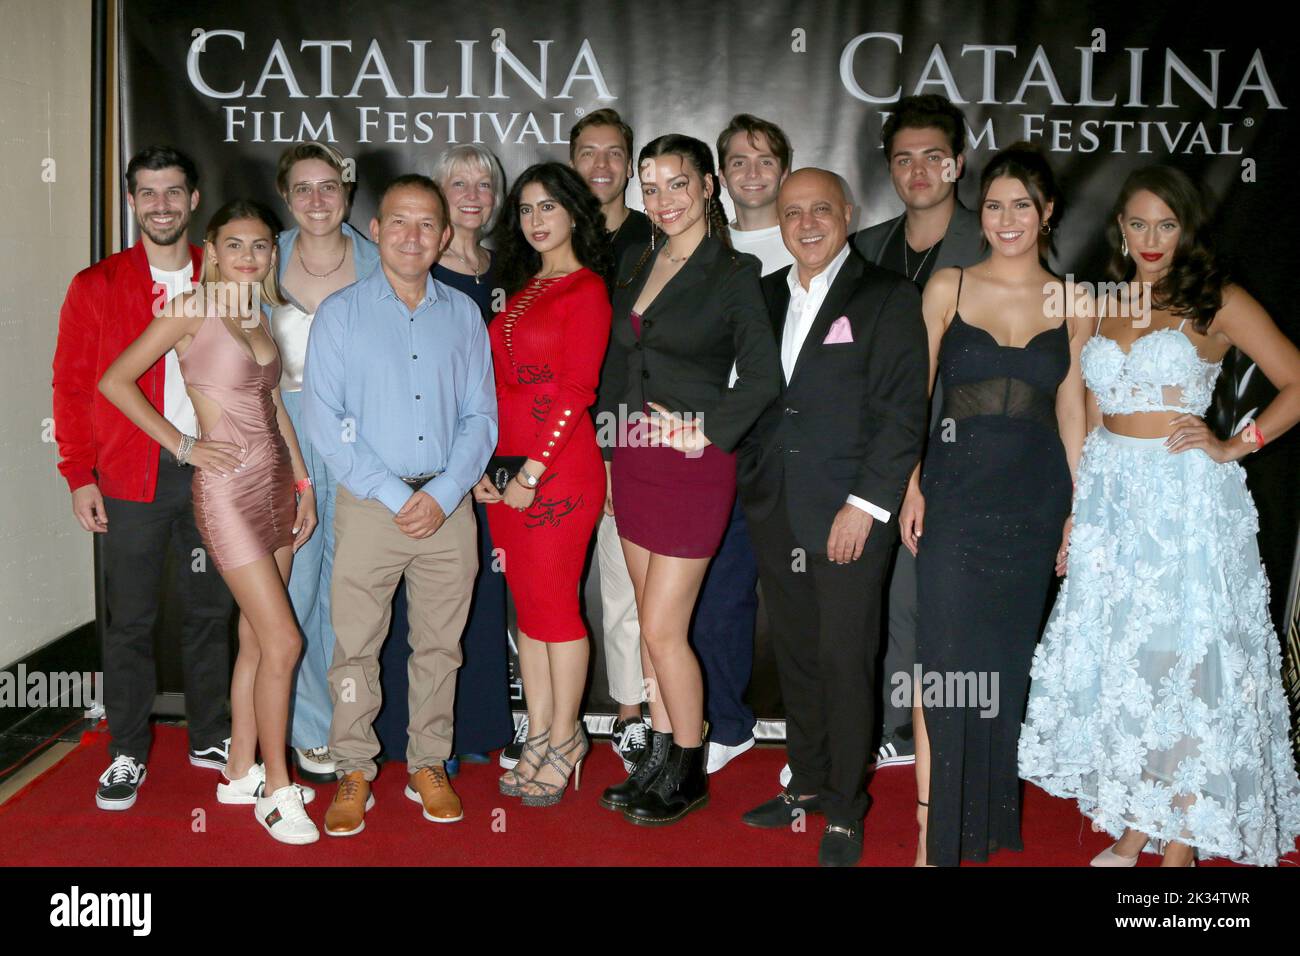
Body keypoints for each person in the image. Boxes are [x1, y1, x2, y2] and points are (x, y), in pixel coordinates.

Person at [1019, 165, 1300, 867]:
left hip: (1186, 505)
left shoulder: (1217, 300)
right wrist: (1076, 514)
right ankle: (1137, 822)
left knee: (1187, 662)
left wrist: (1237, 444)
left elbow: (1297, 379)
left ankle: (1182, 839)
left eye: (1166, 225)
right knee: (1131, 660)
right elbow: (1083, 409)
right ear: (1119, 228)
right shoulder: (1104, 300)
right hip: (1112, 500)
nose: (1151, 239)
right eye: (1138, 223)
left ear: (1188, 230)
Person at [99, 198, 321, 844]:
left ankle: (239, 771)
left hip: (278, 486)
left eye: (260, 246)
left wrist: (304, 484)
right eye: (235, 246)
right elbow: (116, 381)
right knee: (285, 642)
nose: (249, 257)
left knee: (258, 640)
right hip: (226, 494)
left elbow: (274, 403)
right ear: (213, 251)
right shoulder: (191, 311)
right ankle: (278, 791)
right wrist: (183, 445)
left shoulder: (261, 313)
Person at [738, 169, 928, 866]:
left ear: (848, 213)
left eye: (822, 208)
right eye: (793, 212)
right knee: (798, 658)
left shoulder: (887, 297)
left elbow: (902, 412)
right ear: (778, 222)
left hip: (851, 513)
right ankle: (809, 782)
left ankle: (847, 807)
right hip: (776, 507)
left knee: (846, 661)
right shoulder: (759, 297)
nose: (808, 223)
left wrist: (867, 506)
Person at [903, 143, 1086, 866]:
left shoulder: (1075, 301)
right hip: (954, 494)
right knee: (942, 663)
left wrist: (1078, 507)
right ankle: (930, 838)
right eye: (994, 205)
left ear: (1047, 214)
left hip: (1035, 503)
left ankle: (971, 829)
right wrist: (911, 480)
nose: (1006, 219)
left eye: (1022, 205)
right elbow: (915, 396)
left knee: (1003, 670)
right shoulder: (947, 285)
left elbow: (1073, 409)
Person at [596, 134, 782, 826]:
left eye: (678, 183)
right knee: (648, 629)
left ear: (708, 186)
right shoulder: (641, 259)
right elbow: (620, 370)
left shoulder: (735, 271)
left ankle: (690, 764)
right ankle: (665, 758)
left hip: (693, 468)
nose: (663, 199)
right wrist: (611, 458)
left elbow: (765, 378)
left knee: (664, 628)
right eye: (651, 187)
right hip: (636, 462)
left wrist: (706, 428)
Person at [303, 175, 497, 836]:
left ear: (445, 236)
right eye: (398, 222)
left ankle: (428, 763)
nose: (412, 237)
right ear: (377, 230)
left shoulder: (465, 315)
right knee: (354, 649)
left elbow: (481, 418)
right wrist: (394, 495)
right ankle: (354, 766)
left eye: (426, 225)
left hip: (448, 508)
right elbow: (326, 424)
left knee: (441, 648)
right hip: (368, 509)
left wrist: (442, 495)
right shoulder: (340, 315)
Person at [52, 146, 234, 813]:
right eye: (148, 193)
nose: (161, 204)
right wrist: (78, 473)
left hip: (215, 471)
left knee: (212, 610)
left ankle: (211, 735)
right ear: (132, 202)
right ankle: (126, 748)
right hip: (131, 475)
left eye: (173, 192)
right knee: (130, 618)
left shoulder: (224, 278)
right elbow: (71, 385)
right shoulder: (95, 285)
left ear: (192, 200)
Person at [849, 94, 986, 779]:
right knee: (871, 590)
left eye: (934, 156)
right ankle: (878, 723)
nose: (919, 171)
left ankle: (916, 729)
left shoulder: (991, 245)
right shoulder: (865, 248)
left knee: (926, 594)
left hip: (957, 456)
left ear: (958, 164)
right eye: (904, 159)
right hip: (869, 453)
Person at [476, 162, 612, 805]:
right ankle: (538, 733)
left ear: (574, 213)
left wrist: (532, 471)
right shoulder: (523, 287)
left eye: (548, 206)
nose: (535, 219)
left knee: (555, 609)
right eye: (526, 208)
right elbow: (494, 390)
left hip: (557, 471)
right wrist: (486, 467)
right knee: (528, 614)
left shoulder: (585, 290)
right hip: (505, 470)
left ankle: (567, 736)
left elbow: (576, 390)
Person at [377, 145, 513, 776]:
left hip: (500, 464)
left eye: (485, 183)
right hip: (438, 472)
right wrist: (460, 472)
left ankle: (481, 725)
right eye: (458, 182)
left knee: (482, 599)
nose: (473, 193)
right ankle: (421, 742)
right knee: (420, 609)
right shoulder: (415, 274)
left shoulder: (512, 268)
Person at [271, 141, 380, 783]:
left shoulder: (375, 261)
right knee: (296, 584)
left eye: (329, 187)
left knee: (352, 590)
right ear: (286, 196)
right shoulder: (261, 257)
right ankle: (308, 727)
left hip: (358, 439)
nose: (317, 199)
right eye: (303, 188)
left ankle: (353, 726)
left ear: (346, 193)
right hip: (284, 438)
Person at [692, 114, 797, 775]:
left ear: (784, 168)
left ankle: (815, 737)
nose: (752, 171)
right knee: (716, 592)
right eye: (737, 161)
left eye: (764, 159)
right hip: (719, 440)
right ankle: (727, 724)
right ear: (720, 178)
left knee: (802, 594)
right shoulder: (705, 246)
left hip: (792, 443)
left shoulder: (811, 237)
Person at [567, 108, 652, 771]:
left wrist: (619, 449)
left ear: (630, 164)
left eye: (613, 152)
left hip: (623, 441)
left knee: (625, 586)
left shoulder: (658, 241)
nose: (601, 164)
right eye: (587, 152)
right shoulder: (552, 238)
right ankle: (553, 720)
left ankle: (631, 714)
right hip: (552, 447)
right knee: (548, 586)